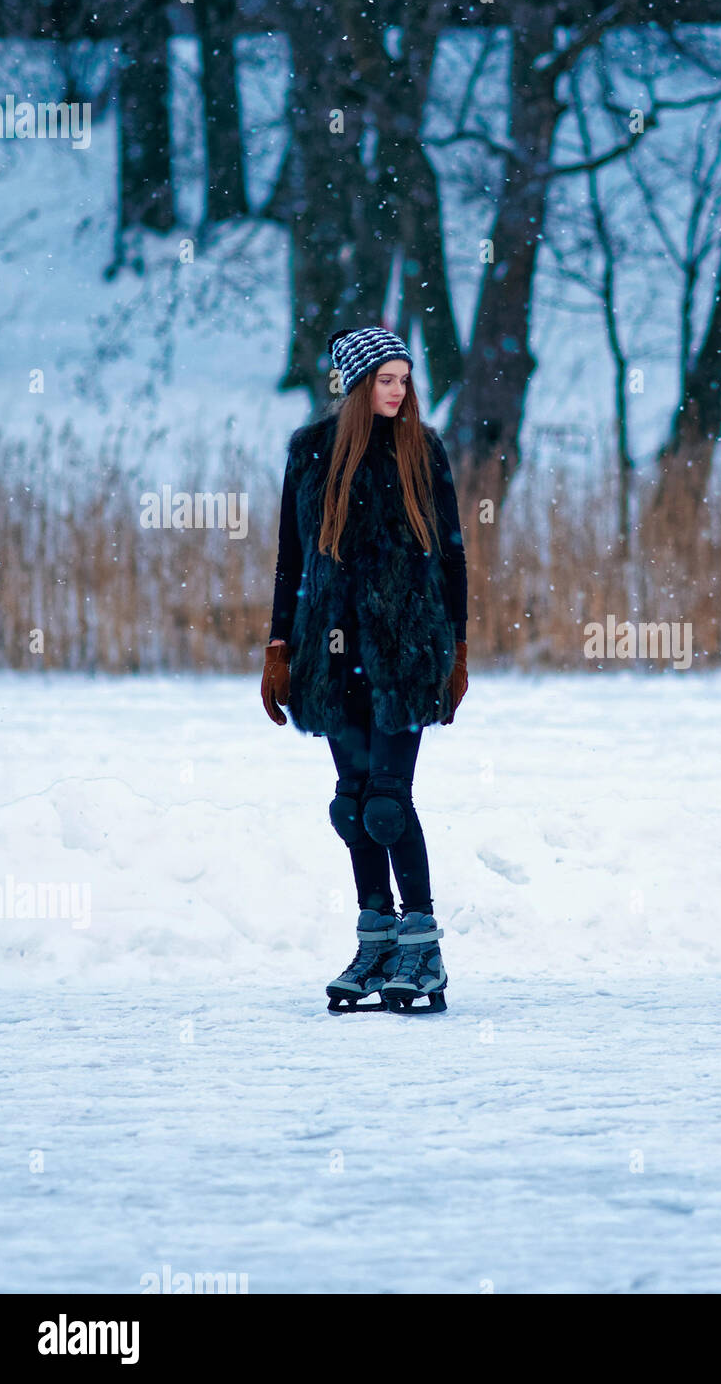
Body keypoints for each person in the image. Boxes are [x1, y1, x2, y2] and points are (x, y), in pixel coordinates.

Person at [261, 326, 469, 1014]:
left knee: (387, 803)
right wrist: (278, 650)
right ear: (355, 385)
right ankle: (376, 937)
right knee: (351, 809)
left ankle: (424, 943)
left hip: (407, 654)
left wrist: (458, 650)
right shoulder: (311, 453)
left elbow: (452, 558)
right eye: (387, 379)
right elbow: (291, 560)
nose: (399, 391)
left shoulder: (422, 450)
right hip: (329, 652)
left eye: (405, 379)